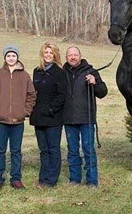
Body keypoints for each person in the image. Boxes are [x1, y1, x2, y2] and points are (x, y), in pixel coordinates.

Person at [63, 46, 108, 187]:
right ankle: (75, 179)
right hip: (69, 118)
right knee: (72, 150)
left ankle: (92, 180)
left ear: (80, 56)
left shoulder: (91, 71)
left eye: (75, 54)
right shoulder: (62, 72)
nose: (73, 57)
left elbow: (102, 93)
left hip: (86, 118)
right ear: (66, 57)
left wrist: (95, 83)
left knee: (89, 149)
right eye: (70, 55)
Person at [30, 42, 66, 188]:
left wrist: (51, 109)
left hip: (53, 117)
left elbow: (62, 95)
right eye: (46, 53)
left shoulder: (60, 73)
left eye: (51, 53)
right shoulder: (37, 71)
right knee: (43, 150)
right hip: (38, 117)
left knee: (53, 149)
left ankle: (51, 180)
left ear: (55, 55)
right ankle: (42, 177)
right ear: (42, 54)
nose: (48, 55)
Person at [0, 44, 36, 189]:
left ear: (17, 57)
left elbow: (31, 95)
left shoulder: (25, 75)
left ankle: (16, 178)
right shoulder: (0, 74)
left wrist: (25, 112)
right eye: (8, 55)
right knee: (0, 150)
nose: (11, 58)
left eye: (13, 55)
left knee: (16, 151)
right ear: (5, 58)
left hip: (17, 121)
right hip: (1, 121)